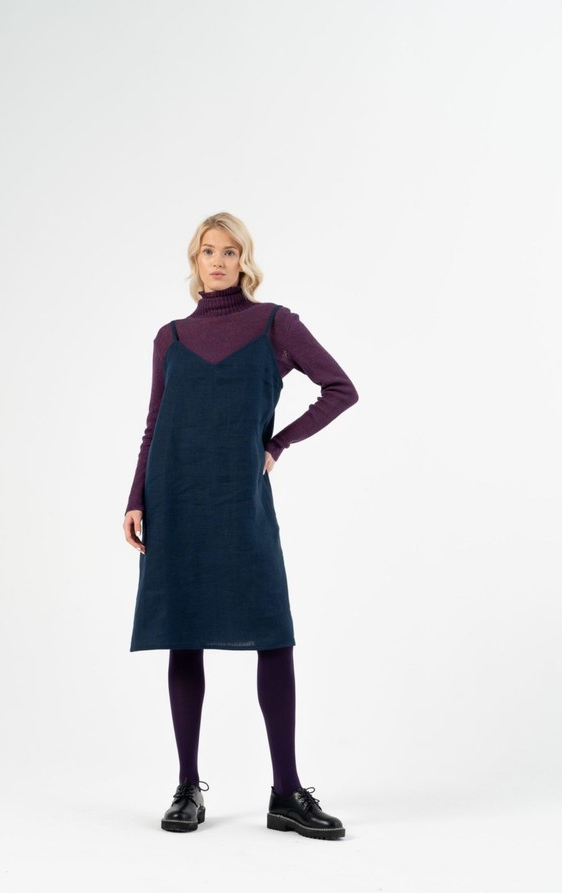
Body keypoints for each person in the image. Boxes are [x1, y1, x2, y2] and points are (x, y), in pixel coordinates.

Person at [122, 212, 359, 839]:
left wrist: (276, 445)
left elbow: (340, 388)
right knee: (183, 632)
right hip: (175, 497)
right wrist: (136, 496)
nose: (219, 261)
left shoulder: (276, 323)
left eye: (230, 251)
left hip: (239, 499)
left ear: (244, 260)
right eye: (208, 251)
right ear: (195, 261)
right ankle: (187, 786)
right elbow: (155, 422)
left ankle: (286, 792)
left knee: (273, 633)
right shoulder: (170, 337)